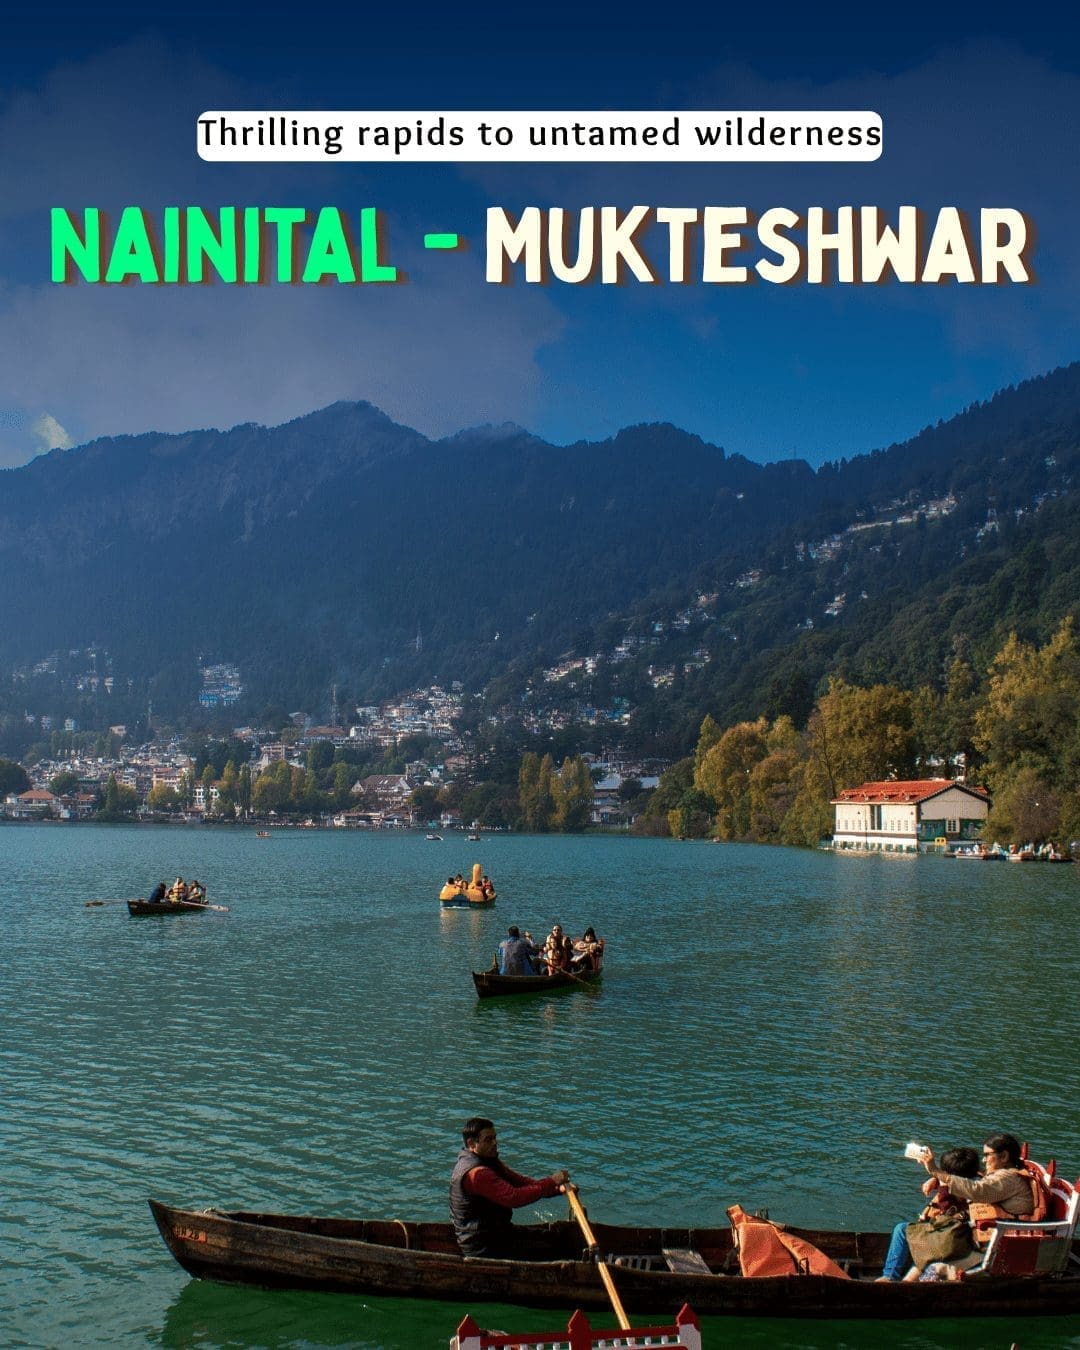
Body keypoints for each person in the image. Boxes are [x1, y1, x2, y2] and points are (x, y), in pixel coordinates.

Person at [449, 1117, 569, 1259]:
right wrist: (551, 1181)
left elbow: (520, 1182)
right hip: (483, 1245)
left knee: (554, 1239)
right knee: (554, 1251)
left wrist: (556, 1189)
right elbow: (514, 1197)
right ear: (471, 1143)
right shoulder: (477, 1174)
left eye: (495, 1138)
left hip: (499, 1234)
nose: (495, 1143)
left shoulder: (488, 1160)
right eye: (488, 1140)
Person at [877, 1146, 980, 1281]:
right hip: (949, 1231)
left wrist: (939, 1181)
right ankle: (891, 1276)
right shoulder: (979, 1183)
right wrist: (935, 1179)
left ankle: (890, 1276)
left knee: (902, 1230)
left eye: (944, 1172)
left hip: (953, 1236)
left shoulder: (961, 1190)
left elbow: (947, 1204)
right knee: (905, 1230)